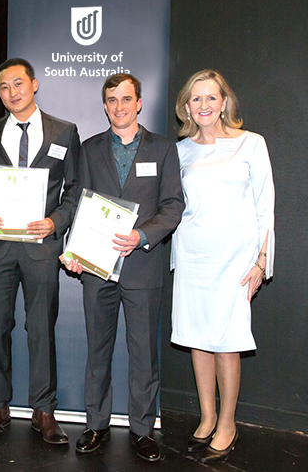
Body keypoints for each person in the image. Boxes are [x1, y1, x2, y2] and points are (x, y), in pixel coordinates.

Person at [63, 73, 184, 462]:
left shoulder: (164, 149)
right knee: (98, 350)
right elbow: (79, 203)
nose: (119, 107)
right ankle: (96, 425)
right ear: (104, 105)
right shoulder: (89, 148)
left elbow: (173, 206)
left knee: (144, 353)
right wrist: (74, 251)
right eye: (112, 100)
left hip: (143, 266)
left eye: (126, 99)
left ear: (139, 103)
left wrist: (143, 236)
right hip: (97, 266)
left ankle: (143, 430)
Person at [0, 58, 80, 444]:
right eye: (3, 86)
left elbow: (75, 190)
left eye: (18, 83)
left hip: (41, 248)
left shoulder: (65, 132)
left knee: (40, 329)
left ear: (34, 84)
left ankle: (44, 410)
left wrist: (55, 222)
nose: (12, 92)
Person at [170, 69, 274, 464]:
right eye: (196, 99)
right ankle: (208, 415)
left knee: (227, 342)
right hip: (193, 256)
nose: (204, 105)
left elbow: (266, 207)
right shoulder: (180, 151)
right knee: (198, 338)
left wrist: (262, 261)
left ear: (225, 102)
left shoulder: (252, 144)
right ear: (186, 107)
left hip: (236, 260)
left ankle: (228, 422)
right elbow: (170, 205)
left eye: (211, 98)